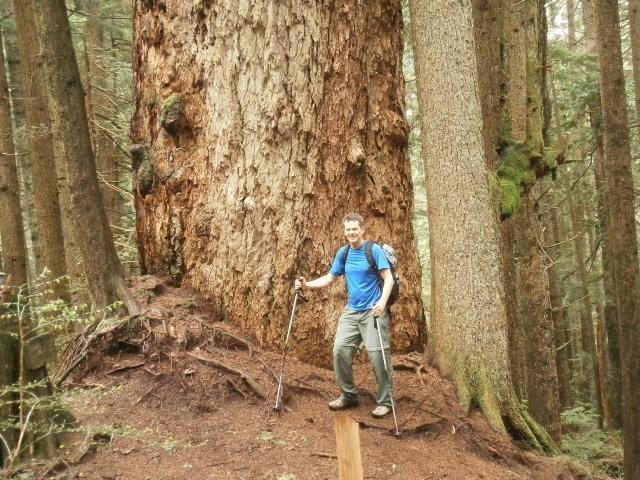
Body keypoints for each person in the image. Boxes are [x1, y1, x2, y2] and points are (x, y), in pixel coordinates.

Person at [295, 213, 394, 418]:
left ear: (362, 229)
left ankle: (385, 401)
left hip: (373, 311)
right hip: (351, 311)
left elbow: (388, 278)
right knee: (340, 350)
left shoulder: (373, 250)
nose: (351, 233)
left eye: (354, 229)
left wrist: (382, 303)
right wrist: (306, 285)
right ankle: (348, 395)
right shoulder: (344, 253)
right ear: (345, 231)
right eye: (347, 229)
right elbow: (329, 278)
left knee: (378, 356)